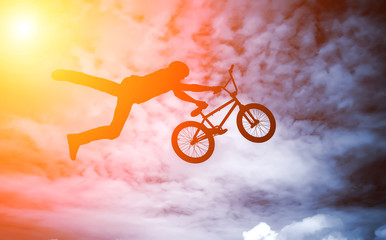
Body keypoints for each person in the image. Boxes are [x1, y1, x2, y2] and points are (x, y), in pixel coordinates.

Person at [51, 61, 222, 160]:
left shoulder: (171, 80)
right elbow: (185, 88)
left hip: (129, 95)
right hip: (129, 91)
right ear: (176, 71)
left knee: (113, 131)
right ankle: (66, 75)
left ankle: (76, 140)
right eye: (181, 75)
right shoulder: (168, 76)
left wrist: (197, 102)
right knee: (97, 84)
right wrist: (211, 88)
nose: (181, 78)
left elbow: (181, 92)